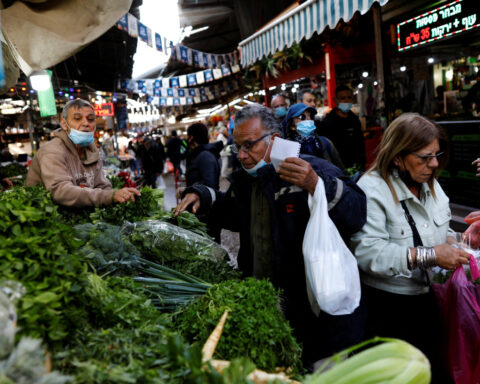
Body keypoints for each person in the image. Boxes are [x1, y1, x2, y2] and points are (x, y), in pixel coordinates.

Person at [174, 104, 366, 368]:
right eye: (237, 147)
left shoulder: (309, 168)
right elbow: (232, 213)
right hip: (272, 314)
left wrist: (316, 185)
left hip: (316, 318)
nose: (241, 155)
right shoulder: (246, 181)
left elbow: (357, 213)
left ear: (274, 140)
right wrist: (202, 195)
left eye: (249, 145)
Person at [350, 113, 470, 383]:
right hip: (389, 309)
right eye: (425, 157)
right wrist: (431, 255)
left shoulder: (431, 183)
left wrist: (462, 242)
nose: (434, 164)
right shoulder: (372, 189)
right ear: (397, 156)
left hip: (429, 301)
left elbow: (439, 232)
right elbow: (367, 252)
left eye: (437, 154)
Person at [26, 99, 140, 207]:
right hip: (49, 219)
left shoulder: (91, 151)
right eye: (77, 118)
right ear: (64, 124)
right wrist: (109, 196)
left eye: (90, 119)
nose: (86, 123)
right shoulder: (52, 151)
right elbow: (61, 191)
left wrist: (118, 196)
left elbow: (102, 186)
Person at [317, 85, 366, 170]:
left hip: (356, 168)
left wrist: (362, 164)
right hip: (337, 169)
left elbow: (360, 144)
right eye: (343, 98)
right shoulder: (327, 123)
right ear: (336, 101)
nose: (347, 101)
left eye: (349, 98)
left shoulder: (355, 120)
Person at [283, 103, 344, 171]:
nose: (308, 119)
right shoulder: (287, 149)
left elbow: (342, 172)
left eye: (310, 116)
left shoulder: (326, 143)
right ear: (292, 126)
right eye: (302, 117)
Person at [185, 123, 222, 190]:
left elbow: (209, 185)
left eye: (188, 136)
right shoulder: (200, 154)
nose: (187, 139)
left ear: (192, 137)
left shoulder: (205, 156)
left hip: (203, 199)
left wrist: (189, 190)